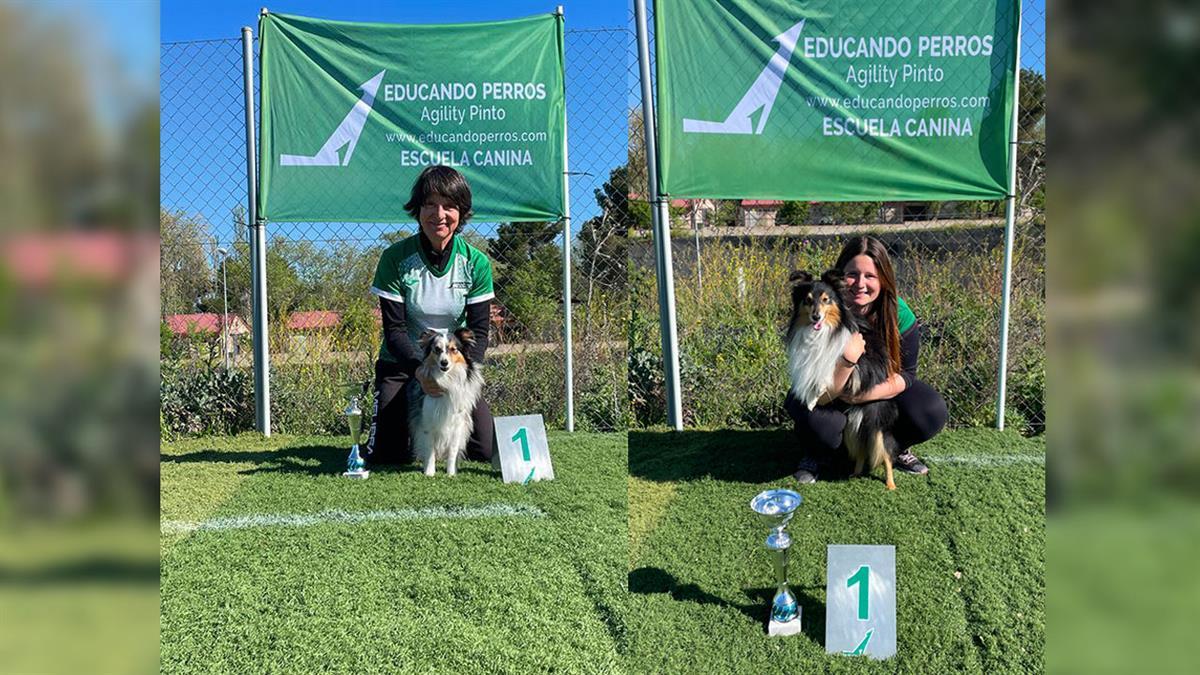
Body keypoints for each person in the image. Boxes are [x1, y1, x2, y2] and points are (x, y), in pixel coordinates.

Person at [785, 236, 947, 483]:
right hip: (830, 391)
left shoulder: (898, 313)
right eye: (852, 274)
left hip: (874, 386)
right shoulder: (825, 305)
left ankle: (893, 447)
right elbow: (822, 392)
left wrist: (863, 396)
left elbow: (907, 374)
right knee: (813, 417)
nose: (860, 284)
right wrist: (848, 360)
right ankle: (818, 453)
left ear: (883, 277)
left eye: (870, 276)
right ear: (841, 277)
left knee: (929, 409)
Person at [364, 165, 495, 465]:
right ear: (417, 209)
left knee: (485, 451)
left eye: (449, 206)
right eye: (430, 205)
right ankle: (414, 430)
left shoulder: (476, 263)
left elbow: (480, 332)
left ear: (461, 212)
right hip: (402, 364)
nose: (439, 214)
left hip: (455, 369)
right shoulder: (395, 259)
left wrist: (462, 379)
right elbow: (394, 331)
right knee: (388, 455)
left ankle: (436, 433)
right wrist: (422, 373)